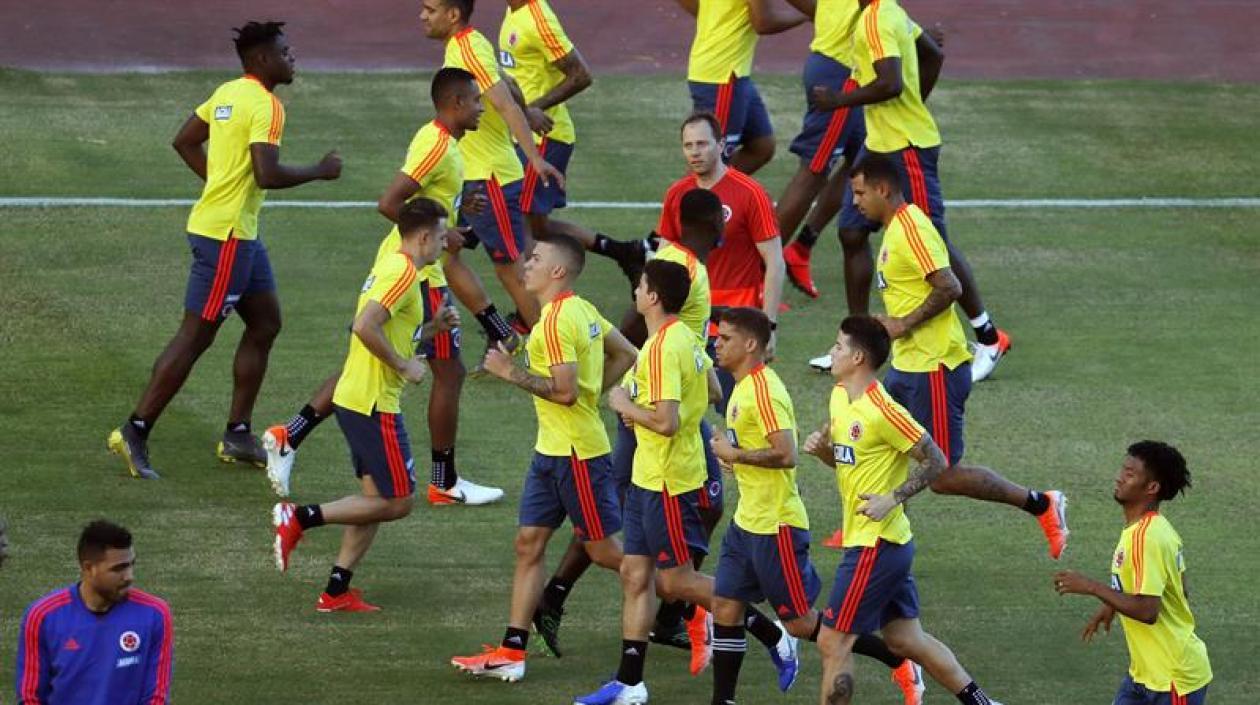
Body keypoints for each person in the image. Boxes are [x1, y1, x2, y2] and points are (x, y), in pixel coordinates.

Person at [107, 21, 341, 480]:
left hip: (236, 233)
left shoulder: (227, 92)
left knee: (266, 322)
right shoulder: (268, 106)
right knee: (196, 336)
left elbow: (184, 140)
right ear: (262, 60)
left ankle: (237, 435)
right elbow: (267, 174)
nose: (292, 57)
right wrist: (320, 170)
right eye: (284, 52)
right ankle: (135, 430)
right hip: (227, 239)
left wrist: (219, 184)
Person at [261, 67, 502, 506]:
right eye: (475, 101)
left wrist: (455, 206)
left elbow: (423, 200)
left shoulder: (449, 143)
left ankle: (289, 436)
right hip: (417, 275)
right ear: (455, 104)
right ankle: (444, 481)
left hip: (422, 270)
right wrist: (443, 235)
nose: (482, 108)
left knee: (366, 365)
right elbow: (390, 203)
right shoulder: (435, 144)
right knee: (447, 372)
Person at [840, 156, 1068, 558]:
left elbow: (950, 286)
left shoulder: (911, 229)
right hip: (908, 366)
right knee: (883, 445)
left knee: (942, 474)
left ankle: (1041, 504)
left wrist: (902, 323)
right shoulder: (894, 230)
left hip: (934, 368)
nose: (855, 201)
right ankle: (877, 537)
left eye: (860, 193)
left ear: (883, 189)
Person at [532, 189, 727, 658]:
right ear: (712, 225)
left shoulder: (684, 264)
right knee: (635, 514)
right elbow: (644, 326)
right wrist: (639, 384)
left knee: (618, 514)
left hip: (668, 403)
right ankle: (678, 606)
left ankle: (567, 599)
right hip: (660, 410)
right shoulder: (681, 269)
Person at [573, 261, 778, 705]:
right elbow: (713, 392)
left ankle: (769, 630)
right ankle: (630, 682)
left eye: (640, 285)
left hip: (668, 480)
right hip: (649, 476)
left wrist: (625, 405)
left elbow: (665, 423)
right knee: (635, 574)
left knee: (677, 582)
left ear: (653, 297)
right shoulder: (681, 337)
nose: (635, 290)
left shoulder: (664, 348)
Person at [709, 307, 926, 705]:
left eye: (725, 338)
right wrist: (733, 458)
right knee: (724, 605)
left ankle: (897, 661)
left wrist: (735, 455)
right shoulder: (741, 385)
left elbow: (786, 454)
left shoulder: (764, 390)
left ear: (750, 344)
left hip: (776, 526)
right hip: (746, 522)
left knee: (802, 624)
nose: (716, 344)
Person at [449, 236, 637, 682]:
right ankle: (512, 651)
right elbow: (626, 353)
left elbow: (565, 392)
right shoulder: (580, 309)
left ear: (557, 272)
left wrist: (509, 372)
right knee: (528, 544)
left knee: (606, 552)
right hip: (551, 452)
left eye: (535, 258)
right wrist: (592, 394)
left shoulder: (555, 322)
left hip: (577, 456)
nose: (526, 263)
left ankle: (690, 603)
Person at [806, 0, 1010, 382]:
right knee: (851, 231)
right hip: (879, 144)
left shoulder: (876, 18)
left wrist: (838, 101)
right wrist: (913, 103)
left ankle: (989, 338)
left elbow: (890, 83)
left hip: (906, 148)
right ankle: (857, 342)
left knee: (934, 244)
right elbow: (933, 54)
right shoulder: (888, 12)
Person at [804, 316, 1003, 705]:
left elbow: (937, 460)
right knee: (904, 639)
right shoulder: (840, 396)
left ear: (858, 358)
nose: (831, 352)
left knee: (832, 641)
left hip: (875, 545)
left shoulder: (884, 410)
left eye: (838, 346)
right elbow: (850, 464)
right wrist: (825, 452)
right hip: (884, 542)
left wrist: (892, 498)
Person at [271, 199, 453, 612]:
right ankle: (299, 517)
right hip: (372, 403)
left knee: (373, 501)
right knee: (398, 502)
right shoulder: (403, 273)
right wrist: (404, 365)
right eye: (442, 237)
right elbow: (364, 326)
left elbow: (392, 329)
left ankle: (336, 590)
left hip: (359, 397)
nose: (445, 245)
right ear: (425, 237)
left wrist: (432, 328)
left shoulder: (395, 266)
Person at [421, 0, 564, 334]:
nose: (423, 15)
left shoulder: (469, 48)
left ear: (452, 15)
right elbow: (509, 84)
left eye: (430, 9)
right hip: (469, 178)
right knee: (443, 255)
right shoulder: (466, 44)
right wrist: (528, 112)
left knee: (512, 271)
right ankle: (500, 331)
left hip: (490, 180)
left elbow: (504, 100)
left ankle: (550, 348)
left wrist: (534, 157)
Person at [1053, 441, 1212, 705]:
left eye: (1130, 474)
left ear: (1152, 487)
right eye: (1122, 470)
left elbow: (1148, 611)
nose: (1119, 477)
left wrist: (1091, 587)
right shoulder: (1155, 528)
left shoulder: (1145, 537)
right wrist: (1112, 605)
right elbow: (1180, 589)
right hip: (1143, 675)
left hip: (1172, 681)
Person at [658, 112, 785, 405]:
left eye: (702, 144)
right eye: (688, 145)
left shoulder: (750, 193)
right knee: (680, 407)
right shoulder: (677, 194)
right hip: (689, 320)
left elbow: (775, 262)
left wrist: (769, 326)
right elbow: (663, 259)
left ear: (721, 145)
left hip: (736, 325)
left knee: (739, 411)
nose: (695, 152)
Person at [15, 520, 173, 704]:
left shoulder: (154, 614)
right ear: (89, 568)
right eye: (118, 568)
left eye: (131, 565)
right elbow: (30, 697)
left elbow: (156, 697)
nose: (130, 576)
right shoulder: (43, 616)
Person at [774, 0, 866, 299]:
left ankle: (801, 247)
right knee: (814, 170)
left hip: (851, 69)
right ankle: (754, 273)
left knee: (863, 161)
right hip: (840, 69)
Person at [674, 0, 809, 174]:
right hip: (723, 75)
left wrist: (715, 17)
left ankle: (721, 187)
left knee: (761, 146)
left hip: (726, 70)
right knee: (711, 162)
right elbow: (764, 22)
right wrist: (807, 14)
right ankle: (696, 191)